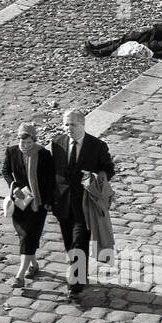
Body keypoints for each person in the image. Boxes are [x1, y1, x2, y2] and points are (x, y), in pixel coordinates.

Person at [51, 108, 115, 296]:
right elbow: (52, 174)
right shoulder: (57, 143)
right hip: (62, 204)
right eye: (66, 124)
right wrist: (49, 200)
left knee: (79, 242)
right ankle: (81, 275)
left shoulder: (97, 146)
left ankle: (76, 285)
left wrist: (97, 177)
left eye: (72, 124)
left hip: (85, 205)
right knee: (70, 243)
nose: (68, 128)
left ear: (82, 124)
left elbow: (108, 169)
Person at [1, 122, 56, 288]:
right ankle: (33, 265)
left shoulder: (44, 155)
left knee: (28, 236)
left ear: (35, 141)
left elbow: (50, 181)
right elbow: (6, 171)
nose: (24, 146)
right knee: (24, 236)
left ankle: (20, 276)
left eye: (29, 143)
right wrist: (14, 186)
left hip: (38, 204)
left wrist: (48, 202)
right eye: (22, 142)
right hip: (19, 201)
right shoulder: (11, 152)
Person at [84, 22, 162, 59]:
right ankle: (99, 49)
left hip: (151, 43)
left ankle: (99, 50)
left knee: (124, 42)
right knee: (126, 39)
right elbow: (157, 29)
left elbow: (155, 46)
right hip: (154, 39)